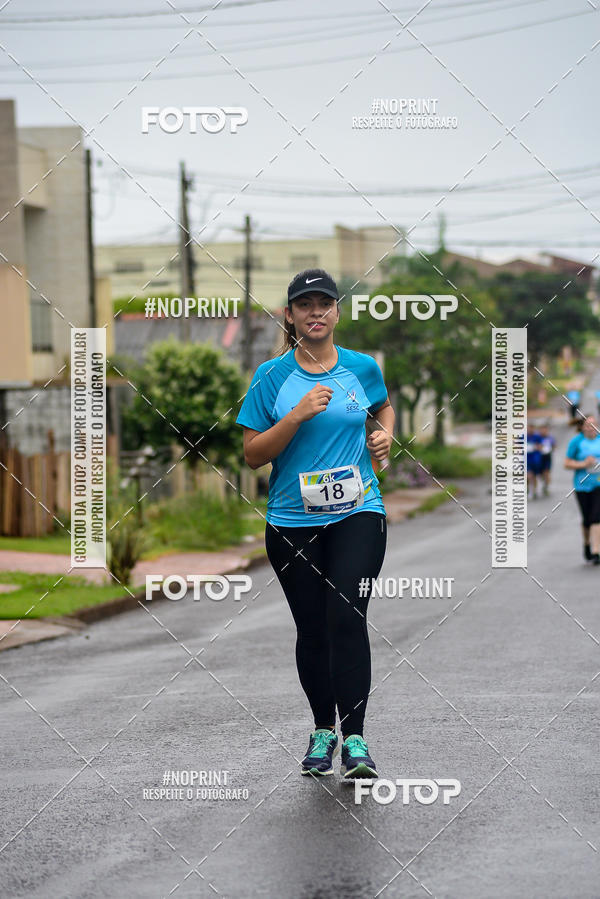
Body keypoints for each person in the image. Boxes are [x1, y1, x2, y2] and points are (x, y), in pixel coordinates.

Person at [236, 268, 394, 780]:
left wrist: (384, 436)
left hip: (358, 511)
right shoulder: (271, 377)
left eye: (325, 303)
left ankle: (356, 740)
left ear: (337, 312)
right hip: (292, 522)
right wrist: (296, 416)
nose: (316, 312)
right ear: (290, 315)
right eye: (305, 305)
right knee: (313, 627)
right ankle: (323, 730)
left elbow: (383, 408)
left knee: (347, 616)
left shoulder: (362, 367)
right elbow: (253, 455)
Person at [564, 414, 600, 564]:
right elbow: (567, 463)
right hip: (582, 485)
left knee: (596, 517)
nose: (591, 428)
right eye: (588, 426)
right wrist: (584, 464)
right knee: (587, 519)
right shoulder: (577, 442)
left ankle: (596, 551)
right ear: (583, 428)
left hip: (598, 484)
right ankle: (587, 544)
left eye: (594, 425)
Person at [538, 423, 556, 496]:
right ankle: (543, 481)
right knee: (541, 474)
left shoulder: (550, 437)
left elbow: (554, 446)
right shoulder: (538, 437)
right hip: (539, 457)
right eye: (542, 429)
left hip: (547, 457)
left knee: (547, 472)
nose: (544, 431)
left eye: (545, 429)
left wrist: (551, 448)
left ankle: (546, 487)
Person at [526, 423, 542, 500]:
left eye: (531, 428)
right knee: (528, 476)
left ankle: (534, 490)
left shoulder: (537, 437)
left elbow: (541, 446)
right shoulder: (523, 436)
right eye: (528, 428)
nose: (529, 430)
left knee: (534, 476)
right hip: (526, 460)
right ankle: (529, 490)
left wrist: (534, 447)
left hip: (535, 460)